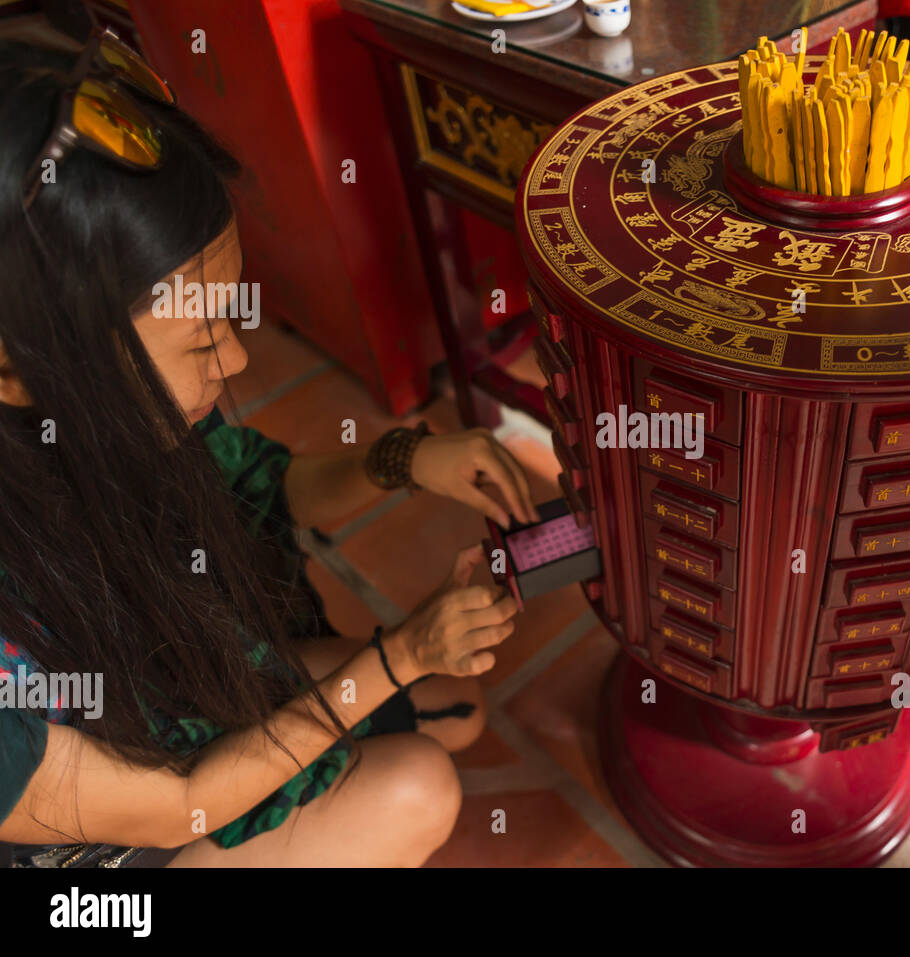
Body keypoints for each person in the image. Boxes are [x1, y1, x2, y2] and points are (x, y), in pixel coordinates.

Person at [0, 30, 537, 866]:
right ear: (21, 368)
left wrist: (402, 461)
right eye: (197, 340)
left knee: (453, 706)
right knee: (417, 785)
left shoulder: (109, 415)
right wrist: (397, 656)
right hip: (108, 857)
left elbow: (254, 483)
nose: (237, 357)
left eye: (229, 314)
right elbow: (181, 802)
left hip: (156, 698)